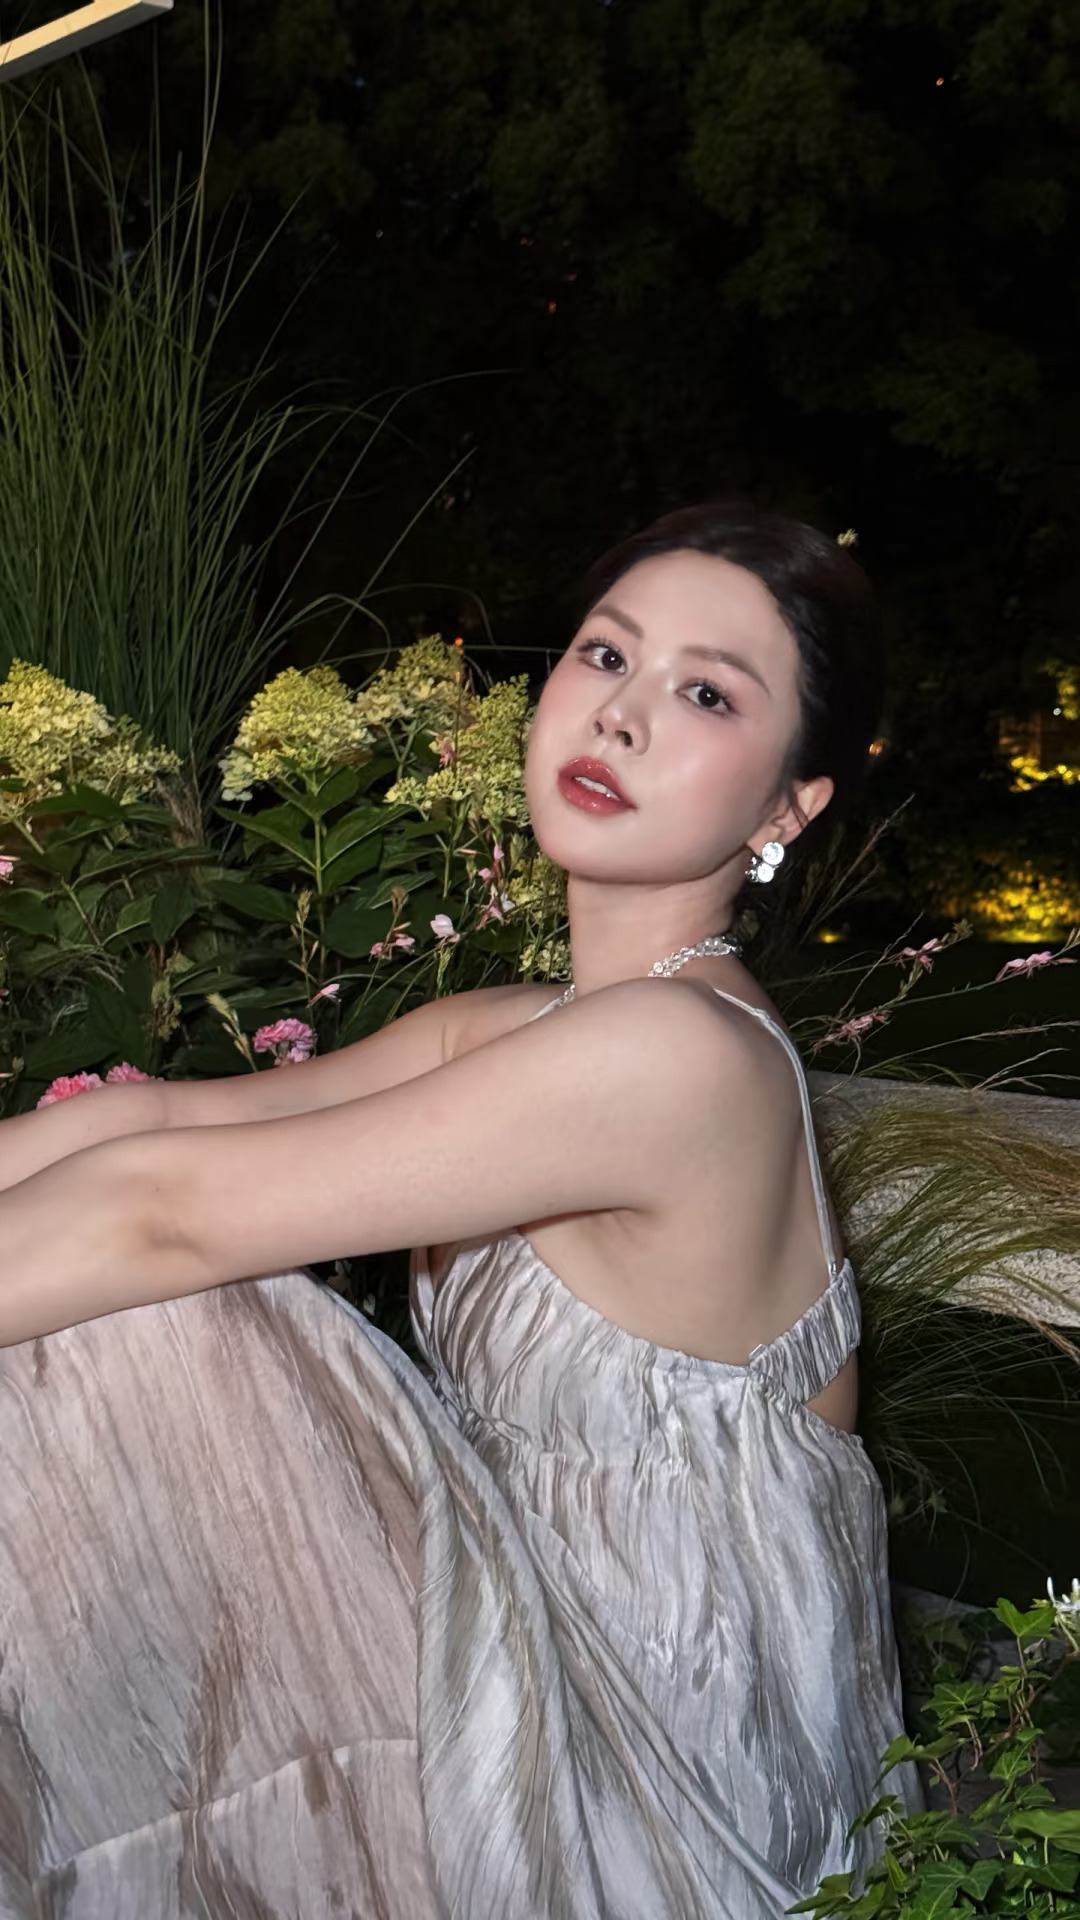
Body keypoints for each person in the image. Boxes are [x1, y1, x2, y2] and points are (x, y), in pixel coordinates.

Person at [0, 502, 918, 1919]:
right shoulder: (526, 1024)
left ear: (787, 809)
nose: (619, 714)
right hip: (511, 1659)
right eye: (605, 654)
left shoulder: (681, 1058)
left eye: (705, 695)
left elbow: (164, 1215)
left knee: (160, 1323)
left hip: (642, 1796)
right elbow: (155, 1121)